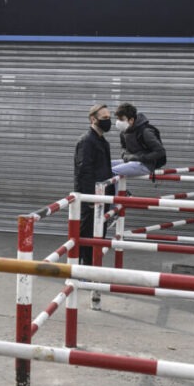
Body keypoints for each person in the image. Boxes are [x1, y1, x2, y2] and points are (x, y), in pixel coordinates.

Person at [73, 103, 115, 268]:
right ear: (93, 119)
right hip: (90, 199)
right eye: (104, 118)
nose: (108, 121)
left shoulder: (103, 141)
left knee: (99, 235)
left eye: (109, 118)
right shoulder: (87, 141)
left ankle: (91, 269)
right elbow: (84, 171)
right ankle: (82, 270)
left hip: (102, 197)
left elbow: (106, 169)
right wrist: (90, 198)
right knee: (87, 235)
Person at [111, 102, 166, 177]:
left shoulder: (145, 131)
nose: (118, 122)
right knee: (104, 166)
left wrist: (140, 158)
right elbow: (123, 147)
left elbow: (160, 151)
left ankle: (113, 189)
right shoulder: (123, 132)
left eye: (121, 119)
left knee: (112, 171)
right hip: (131, 161)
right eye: (117, 119)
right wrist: (125, 155)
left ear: (131, 120)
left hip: (146, 165)